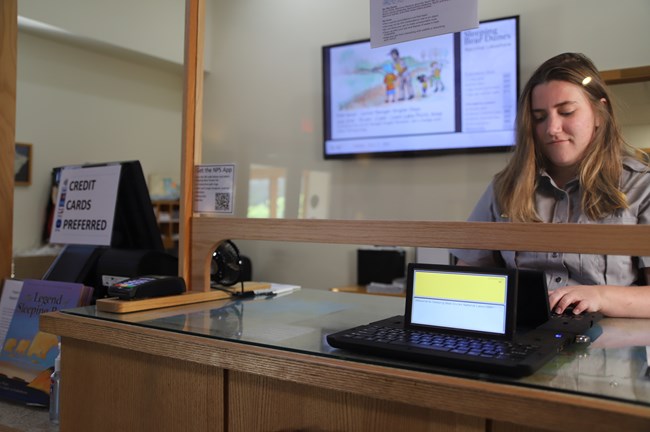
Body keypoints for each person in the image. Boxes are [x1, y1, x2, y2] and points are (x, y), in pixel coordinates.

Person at [452, 52, 650, 318]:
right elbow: (467, 275)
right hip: (522, 342)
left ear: (599, 113)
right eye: (539, 117)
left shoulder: (641, 185)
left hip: (608, 347)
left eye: (566, 112)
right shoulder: (506, 186)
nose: (552, 128)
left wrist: (601, 295)